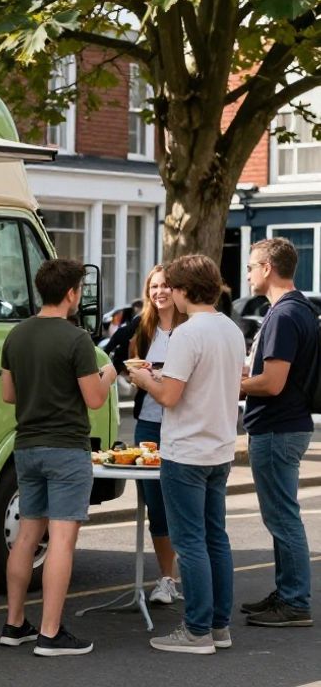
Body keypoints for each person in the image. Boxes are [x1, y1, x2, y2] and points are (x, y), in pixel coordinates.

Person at [127, 254, 245, 654]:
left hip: (186, 451)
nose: (170, 294)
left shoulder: (186, 333)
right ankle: (218, 627)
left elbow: (169, 397)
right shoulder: (230, 329)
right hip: (219, 447)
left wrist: (145, 378)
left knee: (190, 542)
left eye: (173, 288)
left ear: (182, 291)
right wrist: (161, 377)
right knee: (216, 539)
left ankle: (196, 631)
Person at [0, 258, 116, 657]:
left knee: (27, 536)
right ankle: (50, 633)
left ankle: (15, 624)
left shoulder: (16, 335)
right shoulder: (77, 339)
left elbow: (9, 394)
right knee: (62, 540)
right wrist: (109, 374)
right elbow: (94, 399)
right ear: (70, 293)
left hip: (26, 446)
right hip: (66, 448)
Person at [238, 238, 316, 627]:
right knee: (282, 517)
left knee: (283, 518)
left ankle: (295, 602)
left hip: (277, 429)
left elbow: (272, 383)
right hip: (286, 426)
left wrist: (231, 384)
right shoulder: (299, 309)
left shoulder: (284, 315)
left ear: (268, 268)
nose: (248, 274)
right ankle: (287, 593)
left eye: (251, 266)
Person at [104, 265, 186, 604]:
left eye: (165, 286)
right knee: (156, 504)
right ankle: (167, 579)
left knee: (183, 502)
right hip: (150, 425)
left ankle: (192, 575)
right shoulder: (140, 325)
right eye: (154, 286)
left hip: (184, 424)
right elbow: (109, 355)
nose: (159, 292)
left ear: (177, 290)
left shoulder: (190, 327)